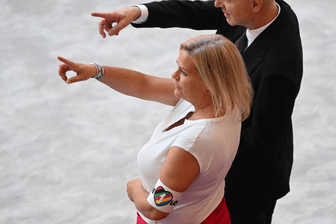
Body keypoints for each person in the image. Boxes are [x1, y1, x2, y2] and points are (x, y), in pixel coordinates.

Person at [90, 0, 303, 223]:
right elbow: (196, 12)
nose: (217, 2)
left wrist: (202, 151)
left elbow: (262, 144)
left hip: (246, 185)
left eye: (183, 72)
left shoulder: (277, 71)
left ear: (256, 4)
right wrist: (137, 12)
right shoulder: (258, 10)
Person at [57, 34, 253, 224]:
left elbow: (156, 209)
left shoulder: (193, 143)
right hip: (211, 210)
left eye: (183, 72)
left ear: (209, 82)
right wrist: (95, 70)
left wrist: (135, 190)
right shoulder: (226, 99)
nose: (173, 75)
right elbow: (145, 84)